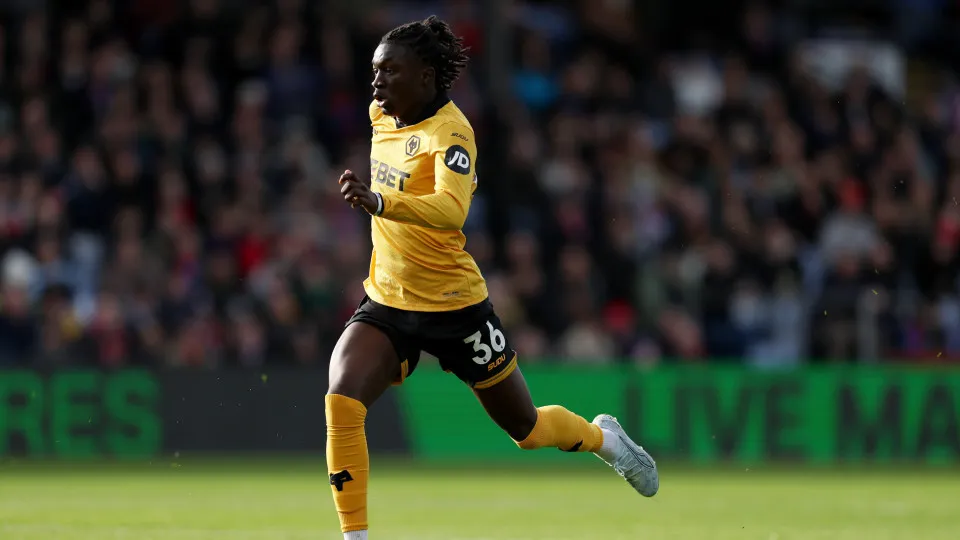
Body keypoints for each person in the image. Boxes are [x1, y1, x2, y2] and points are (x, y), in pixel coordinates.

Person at [326, 16, 658, 540]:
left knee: (526, 429)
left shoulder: (452, 133)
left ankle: (605, 440)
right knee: (342, 399)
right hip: (389, 300)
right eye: (375, 71)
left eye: (390, 71)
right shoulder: (380, 115)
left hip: (455, 306)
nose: (377, 82)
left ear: (426, 77)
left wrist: (381, 201)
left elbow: (451, 209)